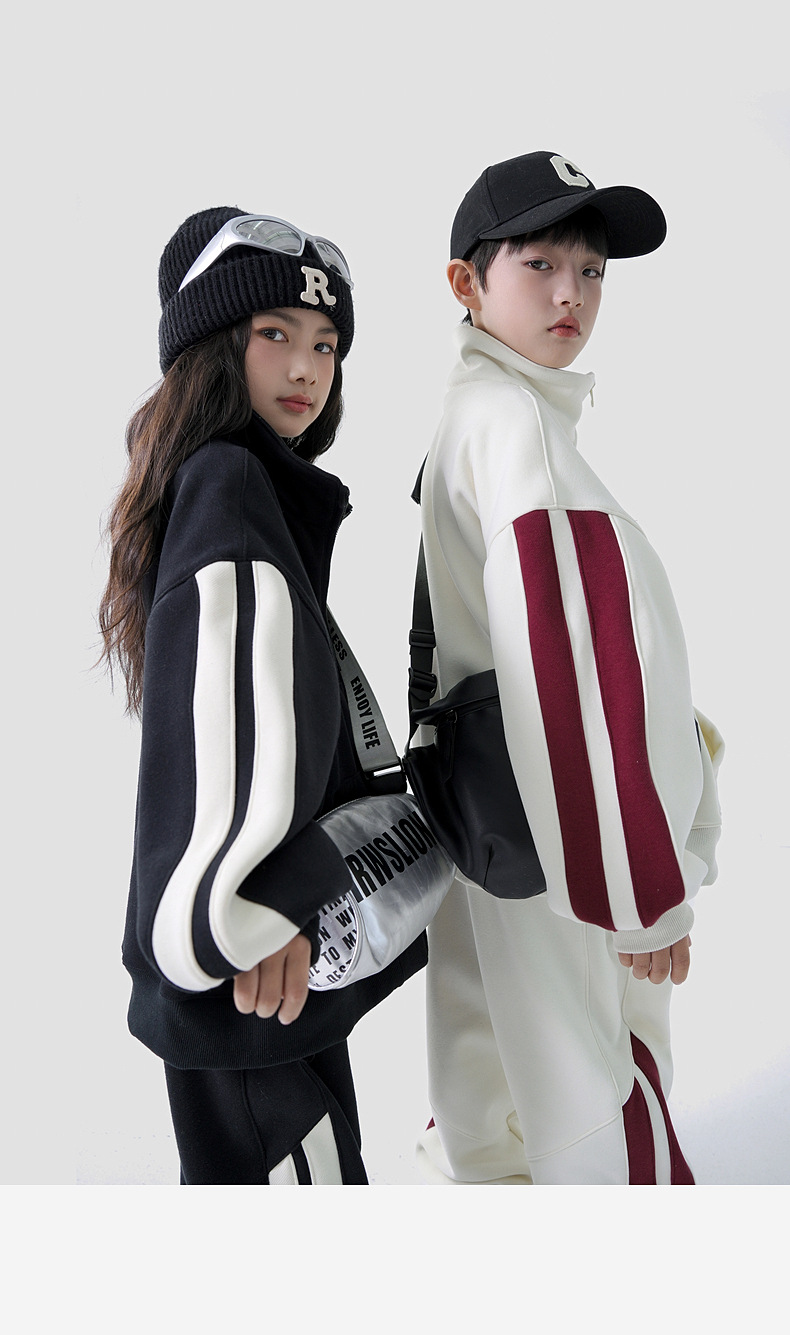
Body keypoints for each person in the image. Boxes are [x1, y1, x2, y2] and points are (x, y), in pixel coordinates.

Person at [413, 152, 724, 1186]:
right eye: (540, 264)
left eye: (591, 271)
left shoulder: (476, 415)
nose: (571, 296)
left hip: (499, 831)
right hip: (567, 853)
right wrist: (637, 895)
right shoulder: (517, 434)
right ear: (466, 282)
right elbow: (572, 667)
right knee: (597, 1097)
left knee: (498, 1098)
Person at [98, 207, 427, 1185]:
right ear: (211, 347)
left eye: (325, 344)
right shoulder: (230, 484)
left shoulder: (230, 485)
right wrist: (254, 905)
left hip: (254, 965)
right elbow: (229, 719)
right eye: (275, 333)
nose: (306, 367)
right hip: (253, 968)